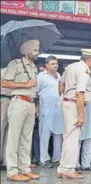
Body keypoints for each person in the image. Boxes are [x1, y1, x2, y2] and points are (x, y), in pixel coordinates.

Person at [2, 40, 40, 182]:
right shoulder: (15, 64)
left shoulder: (34, 67)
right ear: (27, 49)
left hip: (30, 103)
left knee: (26, 138)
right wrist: (25, 84)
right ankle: (12, 171)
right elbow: (5, 82)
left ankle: (25, 169)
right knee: (14, 138)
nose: (37, 52)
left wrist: (35, 103)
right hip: (18, 101)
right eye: (35, 50)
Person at [57, 49, 91, 179]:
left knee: (67, 137)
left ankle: (62, 168)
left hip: (67, 103)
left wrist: (64, 96)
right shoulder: (83, 71)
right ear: (90, 59)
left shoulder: (71, 67)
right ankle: (68, 169)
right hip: (74, 104)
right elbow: (80, 93)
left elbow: (61, 84)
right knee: (73, 139)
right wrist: (81, 115)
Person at [36, 56, 63, 168]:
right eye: (52, 64)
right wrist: (36, 107)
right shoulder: (41, 76)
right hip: (45, 108)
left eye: (56, 63)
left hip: (58, 109)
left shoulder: (59, 76)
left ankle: (57, 158)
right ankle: (44, 159)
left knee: (58, 134)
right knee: (44, 134)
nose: (55, 65)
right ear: (46, 65)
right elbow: (36, 92)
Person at [76, 73, 91, 172]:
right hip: (82, 110)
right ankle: (75, 164)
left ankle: (86, 164)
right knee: (78, 139)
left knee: (89, 138)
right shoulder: (82, 76)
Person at [0, 68, 12, 171]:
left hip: (14, 100)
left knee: (9, 133)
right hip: (3, 99)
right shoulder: (3, 71)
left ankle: (5, 161)